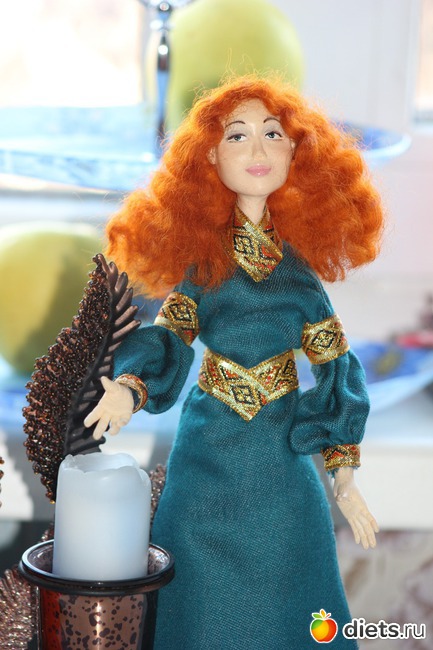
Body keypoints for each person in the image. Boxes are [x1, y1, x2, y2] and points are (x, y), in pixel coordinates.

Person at [85, 75, 383, 649]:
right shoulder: (206, 268)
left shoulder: (300, 279)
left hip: (281, 458)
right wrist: (129, 386)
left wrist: (344, 475)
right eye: (237, 135)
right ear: (210, 157)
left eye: (273, 134)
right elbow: (171, 335)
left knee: (290, 585)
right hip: (208, 453)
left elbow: (337, 370)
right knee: (196, 590)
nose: (256, 150)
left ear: (296, 153)